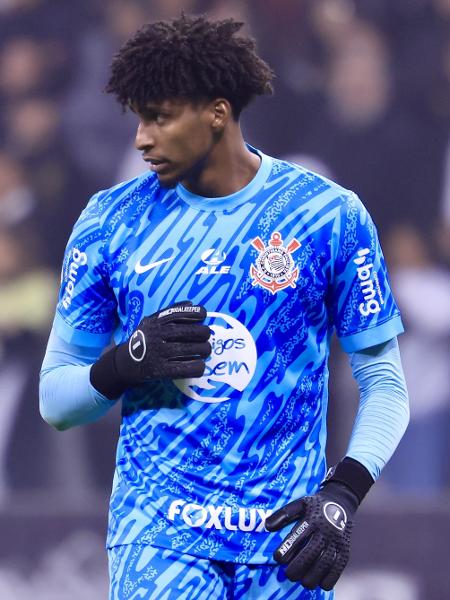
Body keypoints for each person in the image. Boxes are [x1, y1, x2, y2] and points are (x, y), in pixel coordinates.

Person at [39, 14, 409, 600]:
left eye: (158, 117)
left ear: (216, 113)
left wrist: (341, 496)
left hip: (284, 537)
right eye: (138, 118)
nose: (141, 138)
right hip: (157, 533)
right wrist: (126, 363)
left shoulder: (326, 216)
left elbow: (385, 383)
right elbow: (56, 399)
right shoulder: (110, 222)